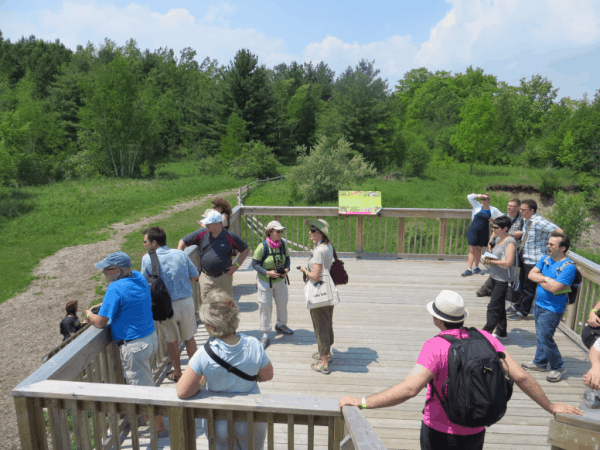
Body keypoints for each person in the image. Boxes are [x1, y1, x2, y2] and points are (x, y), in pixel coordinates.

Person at [338, 290, 583, 450]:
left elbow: (409, 389)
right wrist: (550, 406)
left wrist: (362, 402)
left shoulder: (435, 346)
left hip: (439, 431)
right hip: (476, 427)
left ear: (436, 319)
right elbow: (519, 375)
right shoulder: (487, 338)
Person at [85, 252, 167, 436]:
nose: (104, 273)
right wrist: (105, 303)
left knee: (143, 390)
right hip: (150, 338)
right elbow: (124, 299)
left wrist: (88, 314)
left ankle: (159, 428)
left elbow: (100, 322)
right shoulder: (137, 277)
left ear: (117, 270)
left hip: (134, 346)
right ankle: (147, 416)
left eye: (107, 270)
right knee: (145, 381)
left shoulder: (115, 288)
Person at [177, 294, 274, 450]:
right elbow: (268, 375)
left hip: (219, 420)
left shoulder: (204, 353)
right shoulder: (254, 344)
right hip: (251, 416)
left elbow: (182, 391)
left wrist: (203, 379)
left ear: (212, 326)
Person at [141, 226, 200, 382]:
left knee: (171, 340)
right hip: (186, 301)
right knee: (189, 338)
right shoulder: (180, 254)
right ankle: (195, 373)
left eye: (145, 242)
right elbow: (195, 275)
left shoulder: (148, 259)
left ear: (154, 243)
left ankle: (178, 373)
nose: (144, 244)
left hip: (165, 306)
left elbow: (144, 284)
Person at [520, 231, 576, 382]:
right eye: (548, 243)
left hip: (553, 308)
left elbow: (555, 289)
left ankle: (558, 366)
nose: (548, 246)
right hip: (539, 304)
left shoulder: (568, 267)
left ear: (562, 248)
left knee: (545, 336)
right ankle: (540, 362)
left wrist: (543, 281)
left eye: (552, 244)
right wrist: (546, 279)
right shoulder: (545, 259)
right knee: (541, 335)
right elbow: (531, 274)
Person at [177, 210, 250, 304]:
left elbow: (245, 249)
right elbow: (182, 242)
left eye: (208, 223)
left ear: (217, 224)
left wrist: (237, 265)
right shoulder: (202, 233)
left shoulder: (230, 236)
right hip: (205, 278)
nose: (205, 225)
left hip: (224, 278)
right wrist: (180, 261)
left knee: (226, 307)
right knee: (207, 307)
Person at [508, 199, 563, 321]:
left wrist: (554, 247)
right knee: (521, 283)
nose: (521, 211)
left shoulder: (539, 221)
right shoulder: (527, 220)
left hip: (535, 259)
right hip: (526, 257)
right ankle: (519, 305)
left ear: (532, 211)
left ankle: (523, 311)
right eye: (520, 209)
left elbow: (559, 231)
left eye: (523, 210)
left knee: (529, 287)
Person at [298, 219, 335, 375]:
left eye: (313, 230)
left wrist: (303, 270)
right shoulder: (328, 246)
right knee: (327, 322)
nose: (309, 232)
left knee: (320, 326)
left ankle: (324, 363)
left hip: (318, 292)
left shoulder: (319, 251)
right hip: (328, 291)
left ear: (320, 233)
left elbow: (315, 275)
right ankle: (326, 353)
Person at [251, 220, 293, 350]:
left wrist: (287, 269)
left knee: (282, 303)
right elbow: (254, 264)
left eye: (281, 231)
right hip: (265, 281)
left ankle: (281, 324)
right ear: (270, 232)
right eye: (278, 231)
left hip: (280, 280)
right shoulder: (262, 246)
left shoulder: (283, 244)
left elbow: (287, 259)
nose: (280, 234)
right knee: (265, 306)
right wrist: (267, 272)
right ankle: (265, 334)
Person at [476, 198, 524, 297]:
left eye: (512, 206)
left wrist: (522, 233)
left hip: (512, 246)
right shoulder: (504, 216)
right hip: (500, 244)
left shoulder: (522, 219)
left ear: (518, 208)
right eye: (508, 205)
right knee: (497, 266)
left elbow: (528, 231)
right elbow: (494, 230)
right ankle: (489, 288)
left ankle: (488, 288)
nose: (509, 207)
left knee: (505, 266)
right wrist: (490, 241)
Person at [481, 216, 517, 340]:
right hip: (494, 277)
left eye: (496, 227)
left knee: (493, 306)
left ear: (505, 228)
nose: (493, 229)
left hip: (504, 280)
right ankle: (501, 331)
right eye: (492, 227)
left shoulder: (510, 242)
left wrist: (491, 261)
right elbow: (491, 249)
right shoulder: (497, 239)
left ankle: (486, 333)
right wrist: (488, 259)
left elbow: (508, 262)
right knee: (500, 305)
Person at [463, 193, 503, 277]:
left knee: (479, 249)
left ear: (489, 200)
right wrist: (479, 195)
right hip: (473, 230)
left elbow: (503, 216)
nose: (484, 201)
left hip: (483, 231)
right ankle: (469, 269)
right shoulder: (476, 205)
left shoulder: (493, 209)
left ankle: (476, 267)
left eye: (486, 199)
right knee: (472, 250)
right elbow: (469, 197)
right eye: (483, 199)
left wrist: (494, 219)